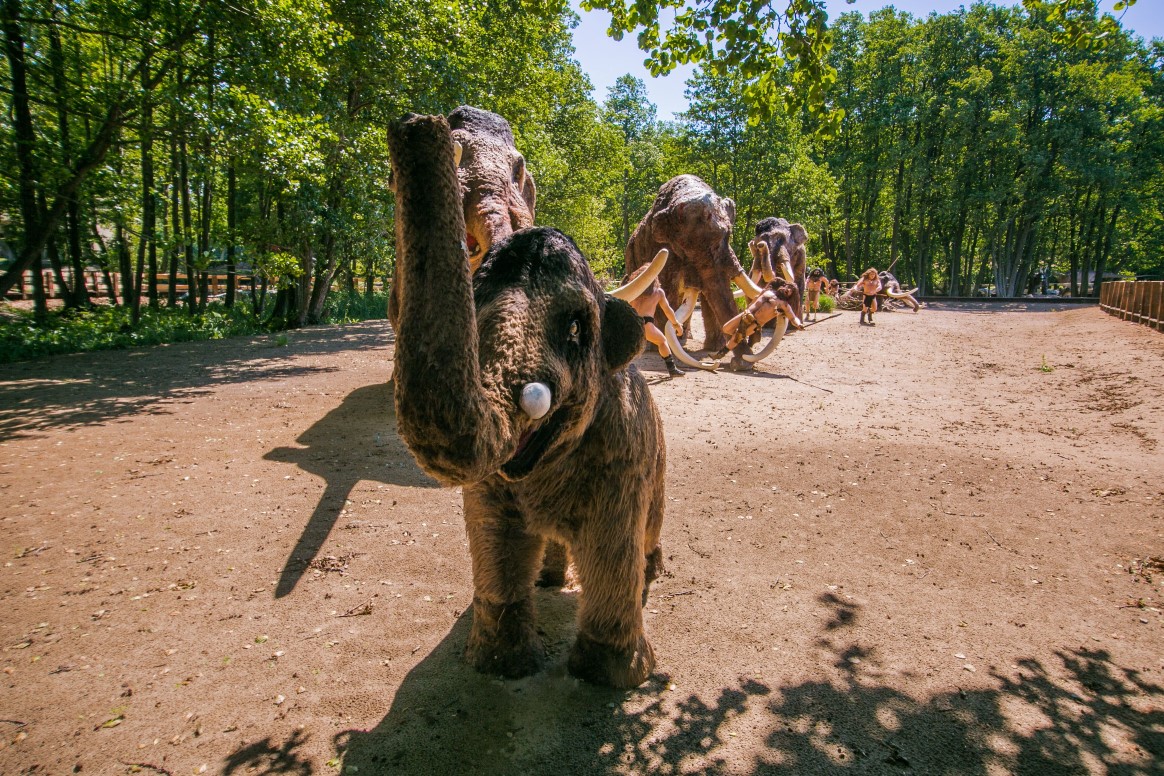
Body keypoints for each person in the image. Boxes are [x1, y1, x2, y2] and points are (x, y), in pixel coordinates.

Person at [623, 262, 686, 377]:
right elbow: (668, 310)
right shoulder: (658, 292)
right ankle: (672, 369)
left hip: (630, 322)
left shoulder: (633, 289)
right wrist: (676, 324)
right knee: (662, 341)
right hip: (646, 324)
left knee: (626, 347)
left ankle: (621, 369)